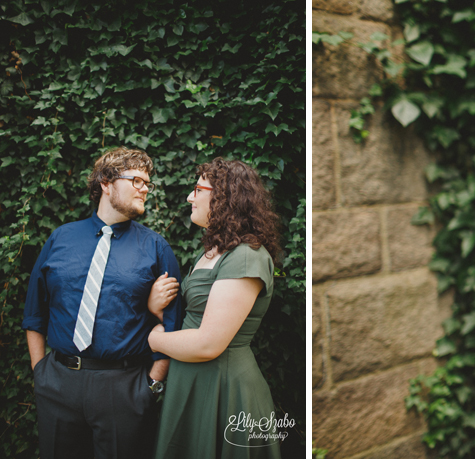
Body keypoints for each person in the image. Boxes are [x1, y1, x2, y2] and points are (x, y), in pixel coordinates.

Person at [22, 147, 184, 459]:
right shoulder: (60, 239)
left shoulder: (156, 248)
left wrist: (152, 385)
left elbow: (173, 326)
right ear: (106, 183)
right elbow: (34, 314)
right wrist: (40, 373)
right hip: (57, 383)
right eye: (137, 180)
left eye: (147, 183)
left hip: (124, 389)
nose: (145, 188)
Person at [147, 157, 283, 458]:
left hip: (224, 390)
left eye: (198, 189)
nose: (189, 197)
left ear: (223, 196)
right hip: (192, 383)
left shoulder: (247, 256)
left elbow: (209, 342)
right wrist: (155, 306)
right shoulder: (214, 251)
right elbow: (193, 318)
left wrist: (153, 339)